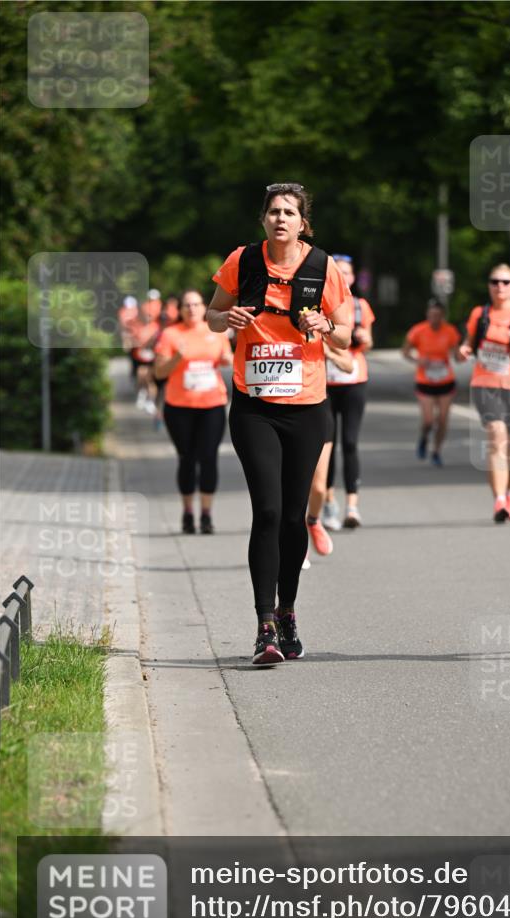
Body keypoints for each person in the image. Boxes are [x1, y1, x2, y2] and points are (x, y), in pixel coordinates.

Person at [206, 183, 352, 665]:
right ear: (263, 219)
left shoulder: (323, 267)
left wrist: (325, 327)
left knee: (293, 516)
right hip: (254, 405)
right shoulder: (243, 261)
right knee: (267, 511)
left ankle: (288, 612)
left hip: (307, 407)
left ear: (302, 223)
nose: (281, 218)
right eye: (273, 212)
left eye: (289, 212)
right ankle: (264, 625)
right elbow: (211, 316)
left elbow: (346, 334)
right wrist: (228, 317)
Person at [154, 289, 233, 535]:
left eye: (196, 304)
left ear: (204, 307)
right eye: (187, 305)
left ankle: (206, 514)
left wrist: (228, 359)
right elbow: (159, 372)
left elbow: (227, 358)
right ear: (179, 310)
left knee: (208, 457)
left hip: (212, 405)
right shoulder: (170, 334)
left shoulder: (216, 331)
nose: (192, 309)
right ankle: (188, 513)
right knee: (187, 458)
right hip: (179, 407)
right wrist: (177, 356)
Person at [458, 264, 510, 521]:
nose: (500, 286)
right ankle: (499, 501)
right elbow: (469, 343)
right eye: (494, 281)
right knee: (496, 434)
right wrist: (464, 350)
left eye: (505, 282)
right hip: (485, 382)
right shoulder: (480, 313)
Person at [322, 255, 375, 530]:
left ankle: (352, 506)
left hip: (354, 379)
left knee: (350, 442)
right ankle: (329, 502)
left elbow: (368, 340)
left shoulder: (360, 306)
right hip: (325, 383)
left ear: (353, 278)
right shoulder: (319, 303)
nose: (343, 277)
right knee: (327, 445)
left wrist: (365, 339)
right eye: (338, 272)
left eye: (347, 273)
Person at [307, 341, 356, 556]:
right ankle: (295, 542)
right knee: (289, 486)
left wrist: (328, 353)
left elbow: (349, 366)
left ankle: (313, 521)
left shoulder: (316, 330)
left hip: (317, 410)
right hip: (280, 411)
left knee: (318, 487)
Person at [402, 299, 462, 467]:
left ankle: (436, 451)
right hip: (425, 380)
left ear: (443, 316)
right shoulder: (418, 330)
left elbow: (457, 354)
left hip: (445, 380)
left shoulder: (450, 331)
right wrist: (418, 360)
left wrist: (461, 354)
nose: (434, 318)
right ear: (427, 315)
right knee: (428, 420)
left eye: (438, 315)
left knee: (442, 420)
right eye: (431, 315)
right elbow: (405, 352)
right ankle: (423, 438)